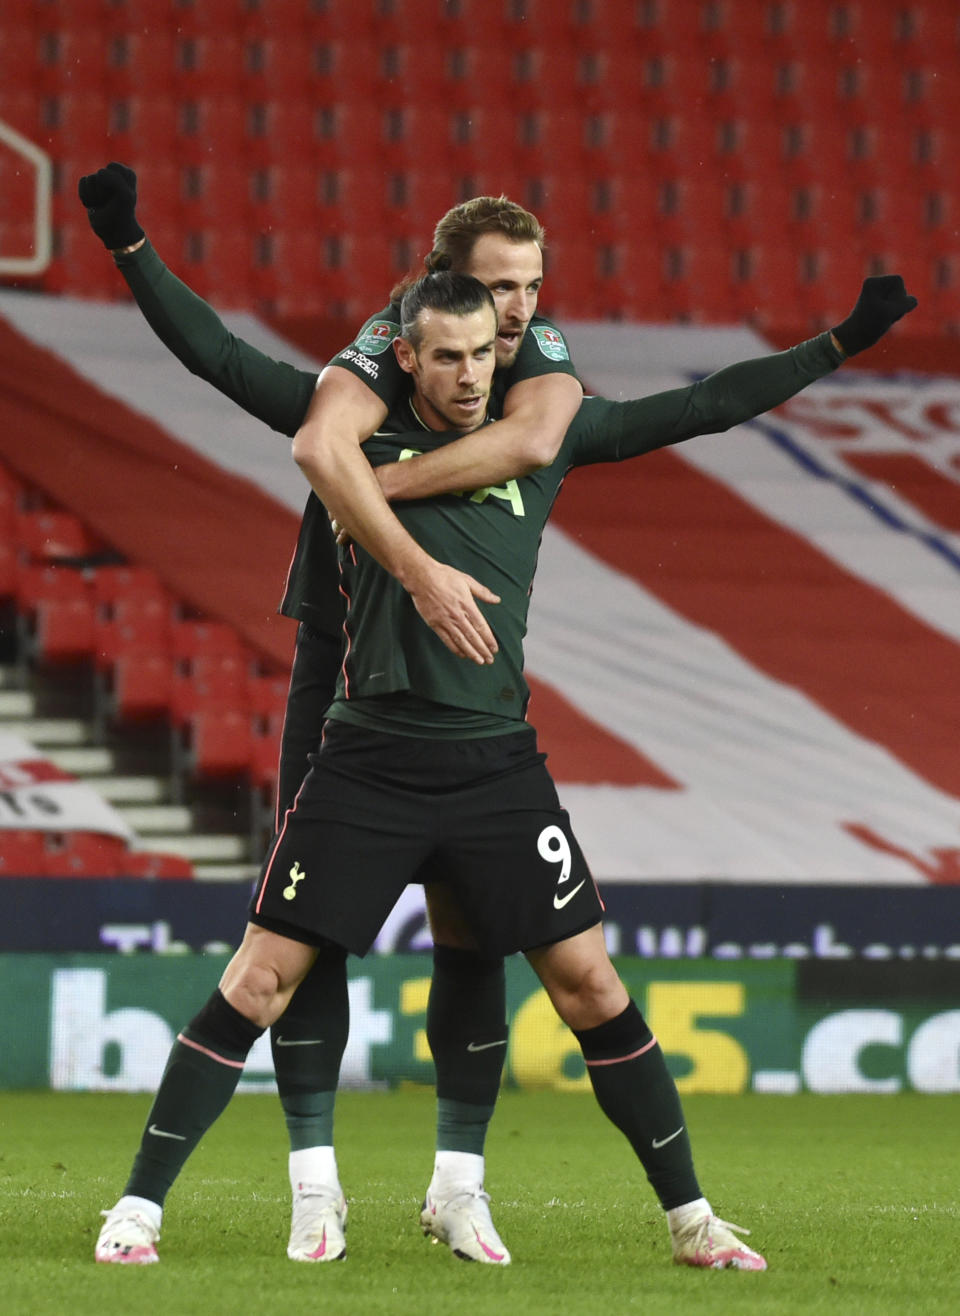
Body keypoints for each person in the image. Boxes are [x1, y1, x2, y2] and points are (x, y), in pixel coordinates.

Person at [92, 261, 917, 1271]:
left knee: (591, 985)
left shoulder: (545, 437)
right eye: (449, 355)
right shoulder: (351, 439)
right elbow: (216, 353)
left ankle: (692, 1219)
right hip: (369, 758)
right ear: (408, 355)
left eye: (486, 350)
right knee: (260, 976)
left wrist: (837, 343)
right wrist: (131, 246)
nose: (473, 372)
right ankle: (136, 1209)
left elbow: (703, 404)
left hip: (494, 766)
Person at [79, 164, 583, 1262]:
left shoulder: (529, 377)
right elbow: (220, 358)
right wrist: (131, 250)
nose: (516, 311)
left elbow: (615, 420)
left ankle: (460, 1183)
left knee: (473, 932)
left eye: (527, 291)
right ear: (433, 298)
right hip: (340, 678)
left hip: (461, 712)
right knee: (303, 942)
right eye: (495, 288)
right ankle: (317, 1186)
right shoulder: (352, 393)